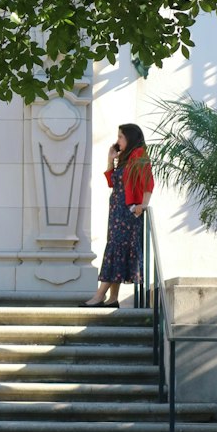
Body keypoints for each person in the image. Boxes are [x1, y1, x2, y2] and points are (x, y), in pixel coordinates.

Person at [84, 123, 154, 307]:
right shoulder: (126, 157)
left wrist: (143, 204)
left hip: (127, 213)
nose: (118, 141)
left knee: (117, 250)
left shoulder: (138, 154)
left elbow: (148, 181)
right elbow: (112, 182)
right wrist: (110, 159)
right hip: (117, 211)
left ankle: (99, 295)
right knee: (117, 250)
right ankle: (113, 298)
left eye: (121, 137)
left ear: (130, 138)